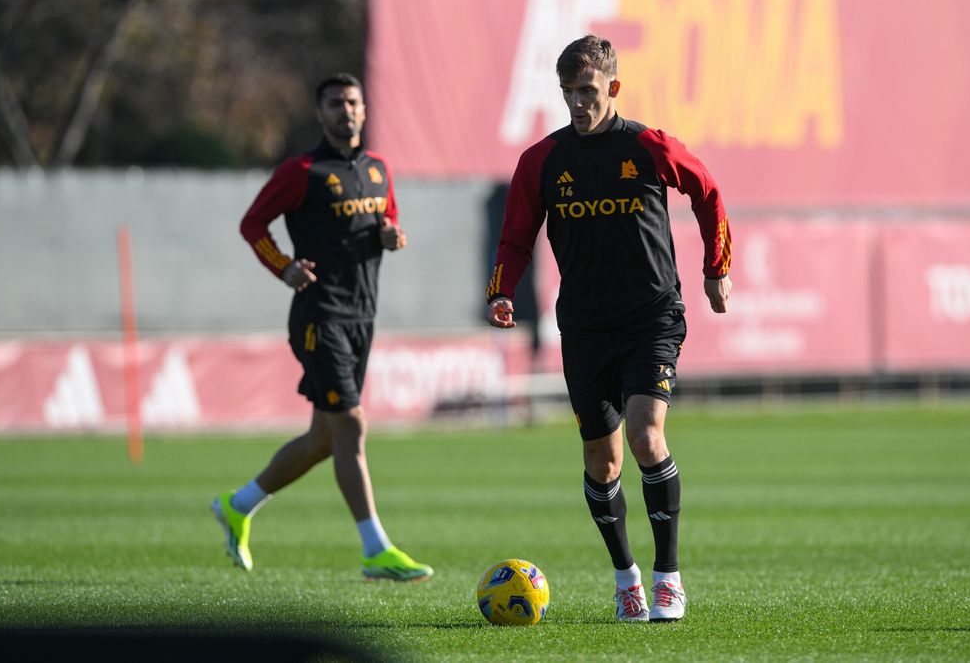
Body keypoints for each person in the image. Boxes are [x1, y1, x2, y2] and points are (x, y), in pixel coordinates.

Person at [486, 35, 732, 622]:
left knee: (647, 436)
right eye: (568, 92)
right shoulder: (541, 161)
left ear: (613, 88)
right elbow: (516, 236)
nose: (577, 103)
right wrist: (501, 289)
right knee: (604, 462)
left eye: (588, 91)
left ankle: (668, 578)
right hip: (585, 327)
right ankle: (626, 579)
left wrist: (716, 269)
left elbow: (709, 192)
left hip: (651, 317)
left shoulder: (647, 146)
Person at [212, 72, 433, 582]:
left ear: (364, 109)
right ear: (321, 114)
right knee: (352, 425)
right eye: (335, 103)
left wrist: (392, 236)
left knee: (321, 439)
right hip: (319, 316)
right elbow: (252, 223)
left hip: (362, 316)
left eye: (352, 102)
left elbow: (388, 220)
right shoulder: (302, 171)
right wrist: (283, 266)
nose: (346, 110)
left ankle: (237, 505)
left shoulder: (379, 170)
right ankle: (375, 549)